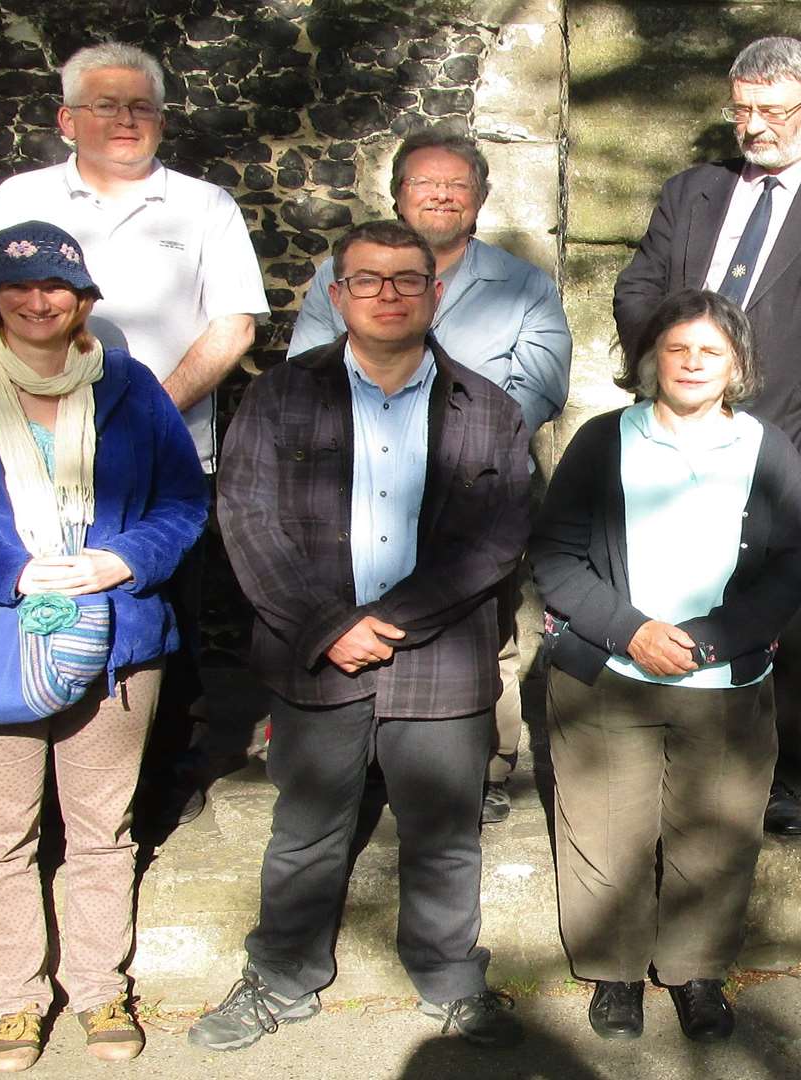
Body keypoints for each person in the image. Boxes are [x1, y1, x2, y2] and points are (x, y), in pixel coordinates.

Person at [0, 221, 206, 1071]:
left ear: (82, 298)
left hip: (117, 641)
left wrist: (121, 559)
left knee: (101, 831)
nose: (38, 298)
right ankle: (18, 1001)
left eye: (57, 284)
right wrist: (12, 572)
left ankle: (98, 990)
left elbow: (183, 503)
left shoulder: (129, 388)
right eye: (17, 286)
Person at [191, 220, 529, 1052]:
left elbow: (497, 536)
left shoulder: (486, 409)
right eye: (367, 280)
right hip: (317, 661)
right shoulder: (279, 396)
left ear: (435, 293)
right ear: (337, 296)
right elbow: (246, 519)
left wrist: (394, 622)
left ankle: (450, 978)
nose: (388, 294)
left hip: (440, 662)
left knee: (445, 836)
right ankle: (282, 976)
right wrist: (327, 627)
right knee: (305, 832)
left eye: (406, 279)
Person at [613, 36, 801, 836]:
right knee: (666, 589)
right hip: (678, 436)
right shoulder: (693, 192)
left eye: (772, 110)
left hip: (796, 447)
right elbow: (640, 284)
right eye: (742, 108)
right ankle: (666, 757)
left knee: (787, 615)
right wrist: (671, 369)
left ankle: (779, 775)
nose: (753, 126)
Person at [0, 42, 268, 829]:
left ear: (162, 119)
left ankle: (157, 779)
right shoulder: (19, 196)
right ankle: (45, 792)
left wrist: (142, 413)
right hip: (30, 465)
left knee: (163, 625)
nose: (125, 120)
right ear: (67, 119)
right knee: (38, 611)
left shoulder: (204, 206)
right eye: (105, 104)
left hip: (162, 461)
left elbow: (232, 327)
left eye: (141, 107)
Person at [531, 289, 801, 1043]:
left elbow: (792, 568)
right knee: (604, 829)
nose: (692, 363)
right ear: (651, 360)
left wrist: (714, 640)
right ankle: (615, 975)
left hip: (724, 682)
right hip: (611, 676)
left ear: (737, 366)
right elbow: (557, 560)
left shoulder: (767, 450)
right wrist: (631, 632)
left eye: (710, 352)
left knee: (715, 835)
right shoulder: (602, 442)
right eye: (677, 349)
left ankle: (696, 974)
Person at [289, 129, 573, 826]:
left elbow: (539, 384)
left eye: (458, 186)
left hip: (476, 494)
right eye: (425, 183)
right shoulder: (342, 275)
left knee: (485, 635)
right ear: (397, 195)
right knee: (352, 619)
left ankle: (486, 765)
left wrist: (462, 441)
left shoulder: (523, 285)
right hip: (354, 487)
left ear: (479, 200)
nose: (442, 195)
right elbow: (306, 372)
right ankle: (360, 762)